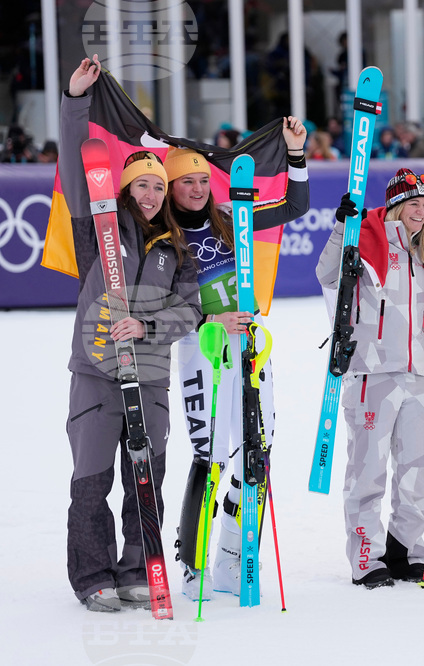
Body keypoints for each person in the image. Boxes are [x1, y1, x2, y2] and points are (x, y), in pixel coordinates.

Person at [60, 56, 201, 611]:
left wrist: (147, 324)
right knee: (92, 480)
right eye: (140, 185)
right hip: (97, 373)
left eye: (157, 187)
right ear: (123, 189)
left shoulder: (175, 248)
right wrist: (76, 101)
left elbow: (189, 312)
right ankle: (93, 575)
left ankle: (139, 568)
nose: (150, 195)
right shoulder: (95, 228)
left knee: (146, 480)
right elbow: (76, 165)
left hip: (150, 375)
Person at [169, 119, 309, 600]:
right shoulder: (163, 237)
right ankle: (193, 564)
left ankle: (234, 555)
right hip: (203, 349)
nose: (197, 189)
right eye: (186, 181)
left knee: (257, 453)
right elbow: (160, 304)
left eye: (202, 180)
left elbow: (294, 206)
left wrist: (295, 154)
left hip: (249, 346)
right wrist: (208, 320)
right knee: (210, 457)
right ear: (170, 187)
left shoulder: (231, 217)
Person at [315, 169, 424, 589]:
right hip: (372, 372)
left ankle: (407, 552)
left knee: (416, 470)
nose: (421, 211)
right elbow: (326, 274)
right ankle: (366, 558)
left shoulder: (423, 250)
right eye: (413, 203)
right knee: (368, 472)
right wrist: (341, 228)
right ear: (396, 206)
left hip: (418, 374)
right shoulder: (366, 240)